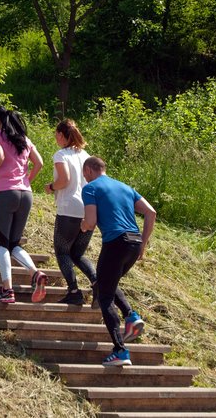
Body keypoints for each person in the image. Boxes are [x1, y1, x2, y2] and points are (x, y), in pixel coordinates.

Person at [81, 156, 156, 366]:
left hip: (115, 242)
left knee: (104, 297)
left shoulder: (91, 188)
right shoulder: (125, 187)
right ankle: (131, 317)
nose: (84, 178)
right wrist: (143, 244)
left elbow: (91, 220)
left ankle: (120, 351)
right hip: (133, 243)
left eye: (84, 174)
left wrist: (83, 227)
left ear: (88, 170)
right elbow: (151, 212)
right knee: (107, 282)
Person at [0, 105, 48, 304]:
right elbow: (40, 163)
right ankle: (35, 273)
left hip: (5, 193)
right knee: (14, 243)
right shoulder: (24, 139)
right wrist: (27, 180)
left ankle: (7, 290)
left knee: (1, 243)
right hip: (26, 194)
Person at [44, 119, 97, 306]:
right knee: (78, 253)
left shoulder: (61, 155)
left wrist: (51, 186)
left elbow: (64, 180)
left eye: (56, 135)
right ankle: (96, 283)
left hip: (69, 209)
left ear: (61, 135)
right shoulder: (86, 155)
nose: (56, 139)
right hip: (89, 210)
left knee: (62, 251)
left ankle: (74, 291)